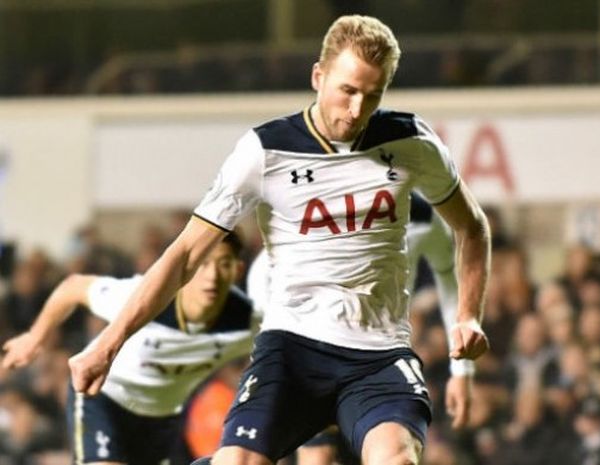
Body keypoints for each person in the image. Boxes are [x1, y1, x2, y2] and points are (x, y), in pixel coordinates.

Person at [68, 14, 491, 465]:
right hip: (293, 348)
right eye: (347, 91)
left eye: (372, 96)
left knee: (397, 460)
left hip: (379, 355)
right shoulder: (265, 152)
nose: (356, 110)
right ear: (318, 76)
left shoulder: (413, 142)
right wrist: (109, 343)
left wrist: (468, 316)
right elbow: (187, 253)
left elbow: (472, 227)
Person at [245, 193, 477, 465]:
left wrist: (462, 369)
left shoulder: (422, 218)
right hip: (312, 356)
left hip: (379, 362)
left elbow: (449, 274)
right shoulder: (308, 224)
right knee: (318, 456)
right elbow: (265, 290)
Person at [2, 232, 255, 465]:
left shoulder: (248, 322)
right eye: (202, 264)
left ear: (237, 270)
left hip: (162, 417)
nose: (211, 276)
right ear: (185, 267)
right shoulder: (143, 298)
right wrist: (34, 338)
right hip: (102, 398)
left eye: (223, 264)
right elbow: (73, 287)